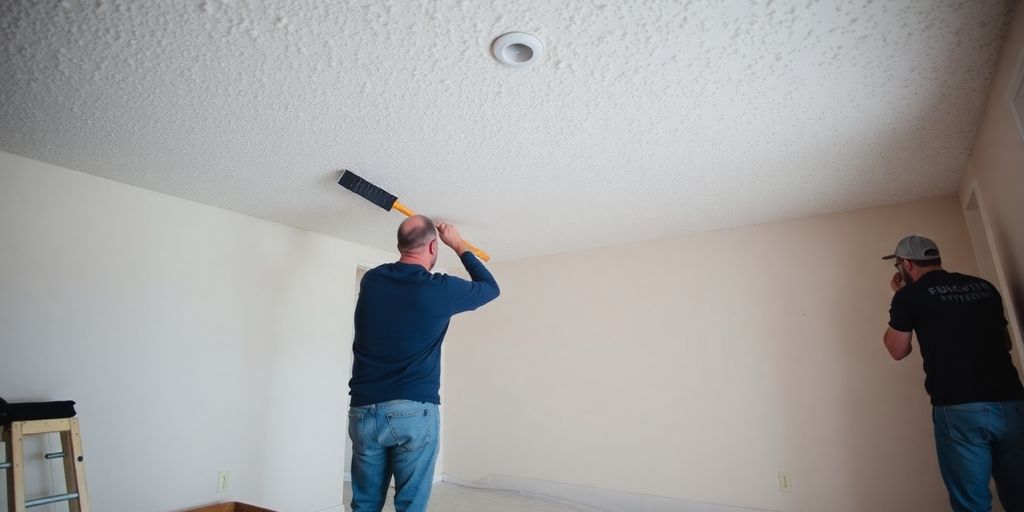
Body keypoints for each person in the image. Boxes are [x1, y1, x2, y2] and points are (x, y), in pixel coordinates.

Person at [347, 215, 499, 512]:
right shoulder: (440, 289)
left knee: (364, 505)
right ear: (433, 246)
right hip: (412, 410)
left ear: (399, 245)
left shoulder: (372, 280)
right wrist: (458, 244)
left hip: (364, 411)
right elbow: (490, 288)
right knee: (410, 506)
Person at [882, 234, 1024, 511]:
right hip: (1013, 403)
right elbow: (1005, 342)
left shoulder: (909, 296)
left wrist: (900, 298)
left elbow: (897, 350)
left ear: (907, 265)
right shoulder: (983, 286)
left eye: (898, 265)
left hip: (960, 409)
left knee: (971, 504)